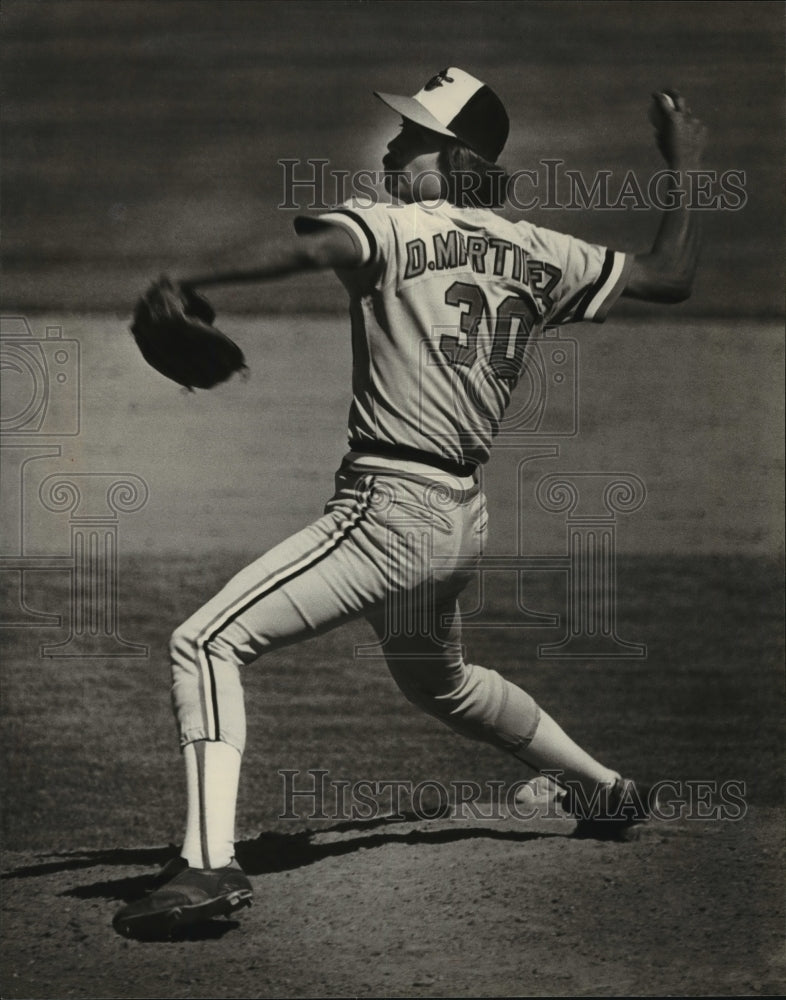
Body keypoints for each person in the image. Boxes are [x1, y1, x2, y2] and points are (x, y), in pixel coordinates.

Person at [113, 67, 706, 938]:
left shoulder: (394, 227)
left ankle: (207, 867)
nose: (394, 146)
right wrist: (684, 165)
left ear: (453, 155)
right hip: (460, 517)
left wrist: (187, 277)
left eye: (413, 137)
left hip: (390, 513)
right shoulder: (541, 251)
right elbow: (670, 276)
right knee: (443, 683)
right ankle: (604, 790)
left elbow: (317, 247)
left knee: (204, 642)